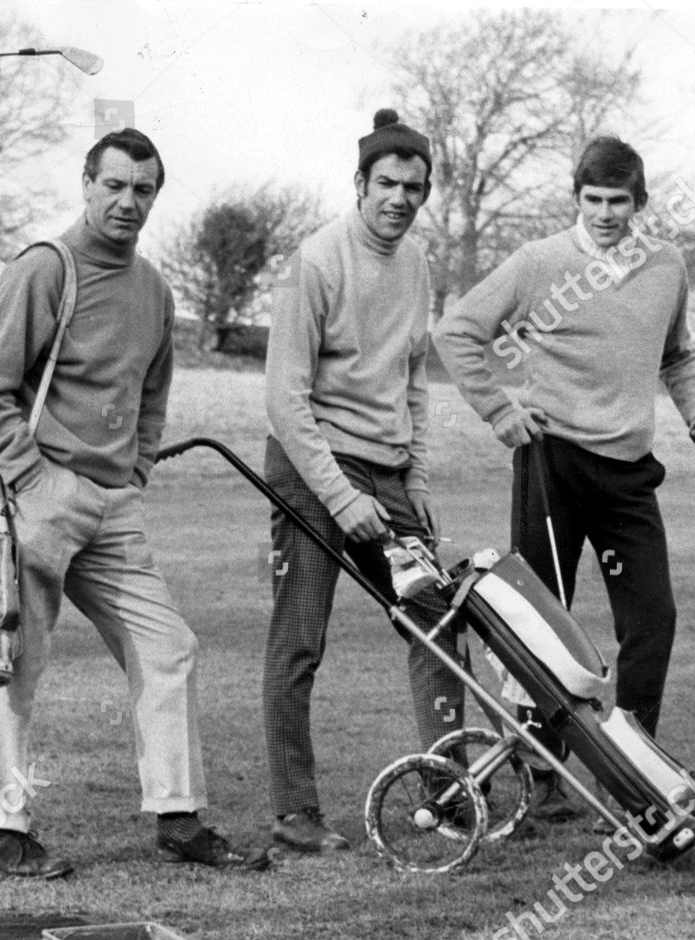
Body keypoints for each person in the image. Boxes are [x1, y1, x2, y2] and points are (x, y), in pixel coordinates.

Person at [0, 127, 270, 875]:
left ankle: (179, 816)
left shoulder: (155, 290)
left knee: (169, 648)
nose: (129, 202)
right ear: (87, 185)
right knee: (9, 662)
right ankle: (1, 832)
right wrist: (32, 479)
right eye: (116, 186)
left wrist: (133, 476)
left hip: (114, 507)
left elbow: (152, 395)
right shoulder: (46, 268)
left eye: (144, 190)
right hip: (36, 503)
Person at [433, 135, 695, 818]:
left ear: (639, 202)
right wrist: (497, 410)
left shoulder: (666, 266)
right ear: (577, 198)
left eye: (618, 201)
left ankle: (635, 772)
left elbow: (679, 357)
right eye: (593, 200)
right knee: (542, 625)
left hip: (629, 471)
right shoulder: (539, 262)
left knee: (653, 617)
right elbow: (456, 333)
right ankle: (541, 774)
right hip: (552, 462)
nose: (604, 213)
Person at [262, 109, 465, 854]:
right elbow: (284, 400)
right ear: (359, 183)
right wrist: (344, 500)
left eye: (415, 187)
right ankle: (295, 812)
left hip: (388, 471)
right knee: (300, 640)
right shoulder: (316, 261)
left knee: (437, 624)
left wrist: (413, 474)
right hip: (315, 470)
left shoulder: (417, 265)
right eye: (387, 183)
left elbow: (414, 375)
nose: (400, 199)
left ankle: (451, 792)